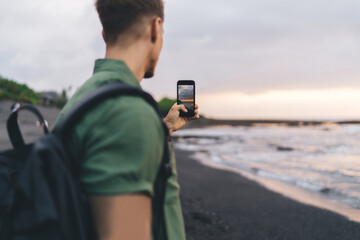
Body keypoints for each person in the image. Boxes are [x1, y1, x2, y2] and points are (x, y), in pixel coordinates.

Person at [54, 0, 199, 239]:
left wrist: (166, 127)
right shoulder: (125, 113)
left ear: (104, 35)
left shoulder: (84, 99)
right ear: (156, 28)